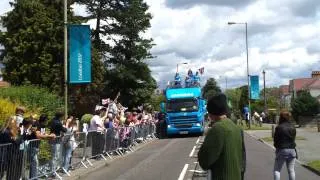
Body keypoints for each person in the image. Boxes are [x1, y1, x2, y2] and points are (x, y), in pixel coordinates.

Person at [198, 93, 246, 180]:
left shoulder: (217, 129)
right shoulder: (236, 128)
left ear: (211, 113)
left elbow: (204, 161)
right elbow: (242, 157)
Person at [273, 111, 297, 180]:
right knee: (291, 170)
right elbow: (293, 139)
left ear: (281, 118)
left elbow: (276, 140)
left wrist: (276, 147)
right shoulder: (293, 127)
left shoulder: (279, 127)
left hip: (282, 149)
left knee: (277, 170)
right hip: (292, 150)